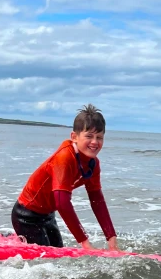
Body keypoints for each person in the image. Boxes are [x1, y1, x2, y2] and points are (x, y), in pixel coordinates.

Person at [11, 104, 119, 250]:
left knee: (58, 255)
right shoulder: (64, 158)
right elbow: (63, 203)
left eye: (99, 137)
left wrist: (112, 241)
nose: (95, 142)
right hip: (26, 216)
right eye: (89, 136)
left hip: (48, 215)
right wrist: (85, 243)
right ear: (74, 137)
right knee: (46, 261)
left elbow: (97, 201)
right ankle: (16, 240)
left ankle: (17, 241)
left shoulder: (93, 164)